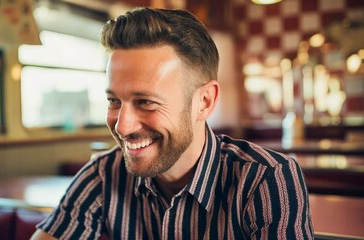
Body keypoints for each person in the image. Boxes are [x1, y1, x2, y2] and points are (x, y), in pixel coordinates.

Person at [31, 7, 314, 240]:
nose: (122, 126)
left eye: (145, 102)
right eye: (113, 101)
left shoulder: (265, 178)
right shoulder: (105, 174)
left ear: (204, 101)